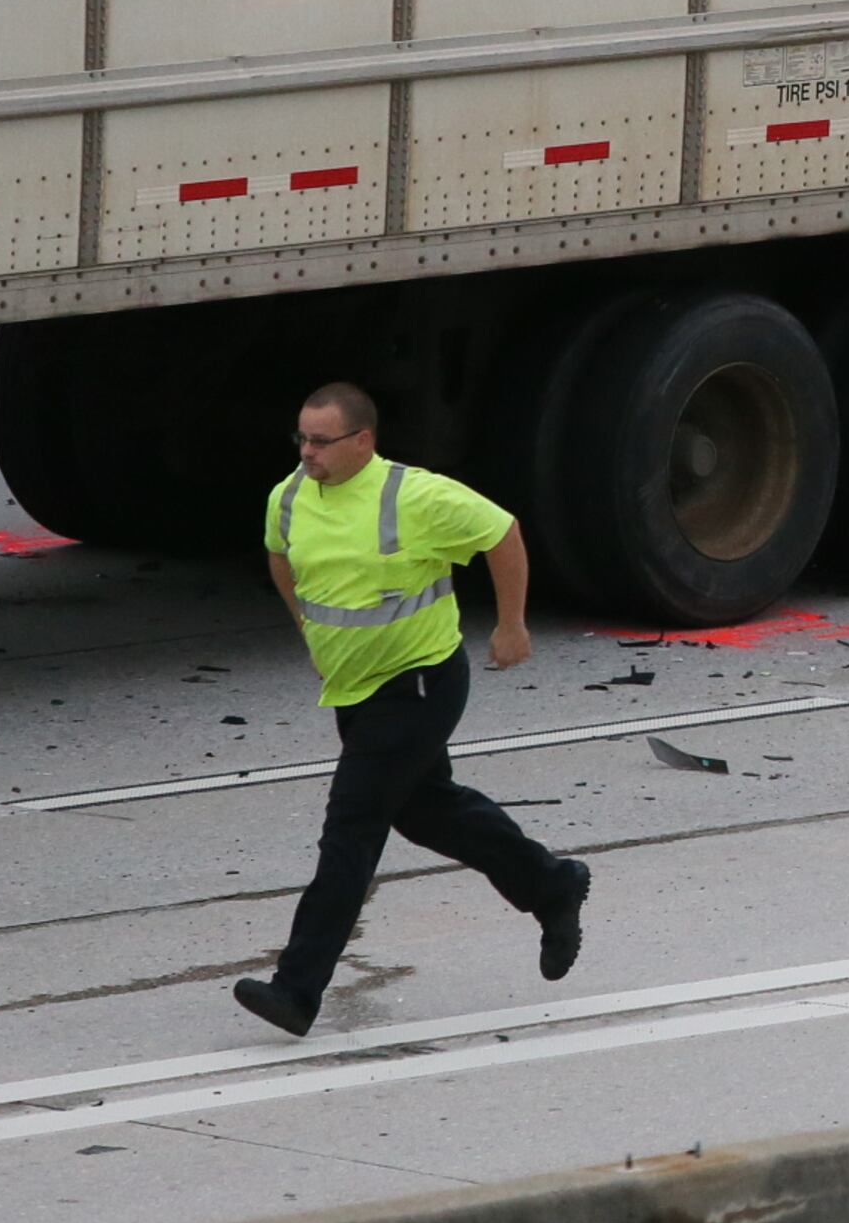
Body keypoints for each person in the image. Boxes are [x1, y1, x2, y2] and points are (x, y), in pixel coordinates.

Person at [235, 382, 590, 1036]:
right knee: (429, 812)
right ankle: (553, 886)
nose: (306, 452)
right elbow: (281, 559)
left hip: (420, 683)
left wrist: (511, 625)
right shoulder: (288, 497)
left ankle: (296, 989)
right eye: (302, 439)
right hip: (355, 689)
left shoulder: (414, 495)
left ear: (362, 441)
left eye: (321, 441)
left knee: (352, 828)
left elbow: (502, 532)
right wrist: (308, 630)